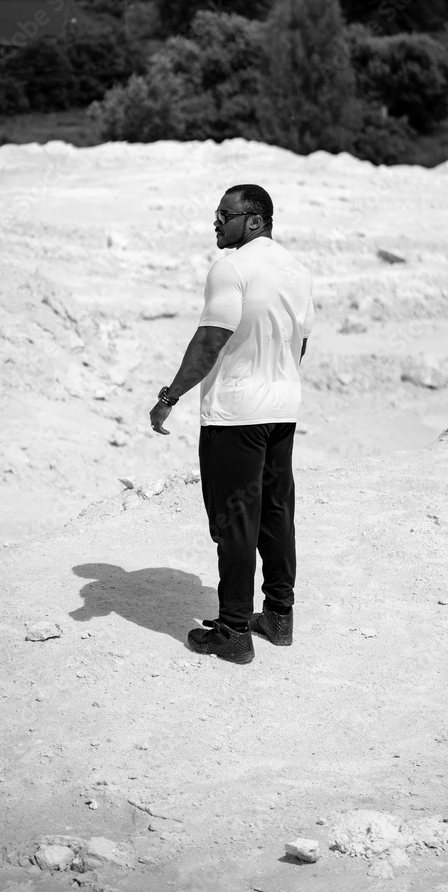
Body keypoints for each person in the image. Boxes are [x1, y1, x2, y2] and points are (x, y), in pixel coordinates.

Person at [149, 184, 314, 664]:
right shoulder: (298, 271)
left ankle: (233, 631)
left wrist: (168, 397)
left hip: (235, 416)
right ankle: (278, 617)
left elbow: (208, 343)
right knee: (277, 512)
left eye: (226, 214)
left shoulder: (231, 268)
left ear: (255, 220)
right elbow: (299, 344)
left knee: (235, 519)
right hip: (282, 409)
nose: (216, 222)